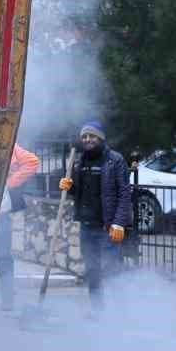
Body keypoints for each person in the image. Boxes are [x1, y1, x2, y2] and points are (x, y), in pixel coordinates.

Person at [58, 121, 133, 310]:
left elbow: (124, 194)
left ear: (100, 138)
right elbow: (80, 192)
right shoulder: (80, 161)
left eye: (91, 136)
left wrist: (119, 223)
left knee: (111, 270)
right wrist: (70, 187)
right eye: (84, 137)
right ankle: (98, 311)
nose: (87, 139)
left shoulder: (114, 160)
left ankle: (119, 312)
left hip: (107, 228)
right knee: (92, 270)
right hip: (86, 226)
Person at [0, 143, 40, 310]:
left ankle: (7, 300)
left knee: (3, 256)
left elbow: (32, 161)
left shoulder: (9, 145)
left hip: (1, 215)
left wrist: (10, 182)